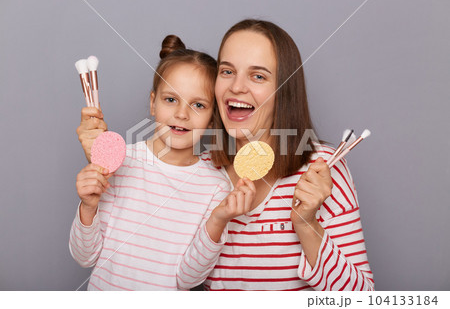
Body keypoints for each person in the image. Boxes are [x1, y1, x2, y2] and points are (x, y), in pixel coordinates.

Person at [77, 19, 374, 291]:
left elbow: (363, 298)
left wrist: (307, 224)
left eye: (257, 76)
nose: (237, 86)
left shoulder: (322, 168)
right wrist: (103, 170)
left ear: (283, 90)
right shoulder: (202, 173)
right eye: (227, 71)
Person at [69, 35, 255, 290]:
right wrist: (88, 207)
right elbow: (84, 257)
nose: (182, 113)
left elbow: (188, 279)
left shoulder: (216, 186)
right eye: (171, 99)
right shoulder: (119, 162)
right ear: (152, 103)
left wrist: (218, 219)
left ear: (213, 120)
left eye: (198, 105)